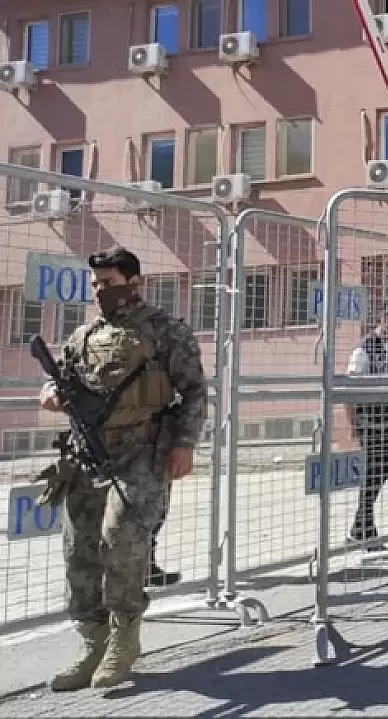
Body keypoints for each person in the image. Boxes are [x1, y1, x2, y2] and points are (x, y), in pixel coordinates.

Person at [38, 247, 207, 690]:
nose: (100, 292)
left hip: (143, 451)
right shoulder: (85, 335)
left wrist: (185, 444)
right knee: (80, 551)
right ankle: (92, 642)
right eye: (95, 284)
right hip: (86, 454)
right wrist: (51, 393)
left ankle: (124, 639)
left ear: (134, 283)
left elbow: (193, 392)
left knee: (123, 544)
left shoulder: (166, 331)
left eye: (108, 283)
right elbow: (65, 381)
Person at [343, 307, 388, 548]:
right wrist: (352, 425)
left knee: (382, 473)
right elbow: (350, 390)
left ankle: (362, 529)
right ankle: (362, 530)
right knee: (372, 475)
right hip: (370, 424)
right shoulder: (365, 348)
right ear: (385, 320)